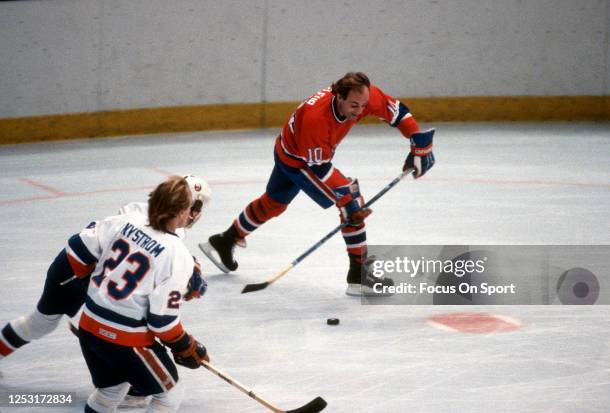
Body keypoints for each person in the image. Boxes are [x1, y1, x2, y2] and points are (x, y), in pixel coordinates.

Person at [201, 72, 435, 296]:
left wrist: (417, 142)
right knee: (351, 202)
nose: (360, 111)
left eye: (364, 105)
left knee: (275, 203)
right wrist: (349, 202)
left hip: (287, 148)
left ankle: (225, 240)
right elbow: (319, 168)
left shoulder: (362, 95)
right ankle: (359, 274)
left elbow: (398, 113)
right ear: (339, 96)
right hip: (301, 161)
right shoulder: (317, 120)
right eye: (354, 105)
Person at [0, 175, 210, 360]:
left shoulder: (154, 216)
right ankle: (132, 379)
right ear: (185, 207)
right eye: (194, 207)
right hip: (77, 270)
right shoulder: (141, 215)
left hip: (94, 271)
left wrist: (187, 268)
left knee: (43, 322)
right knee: (44, 322)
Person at [78, 176, 208, 413]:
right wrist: (186, 345)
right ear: (180, 211)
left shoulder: (127, 222)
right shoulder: (177, 253)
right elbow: (162, 323)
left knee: (109, 391)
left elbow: (89, 253)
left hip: (88, 325)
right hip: (123, 339)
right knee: (170, 395)